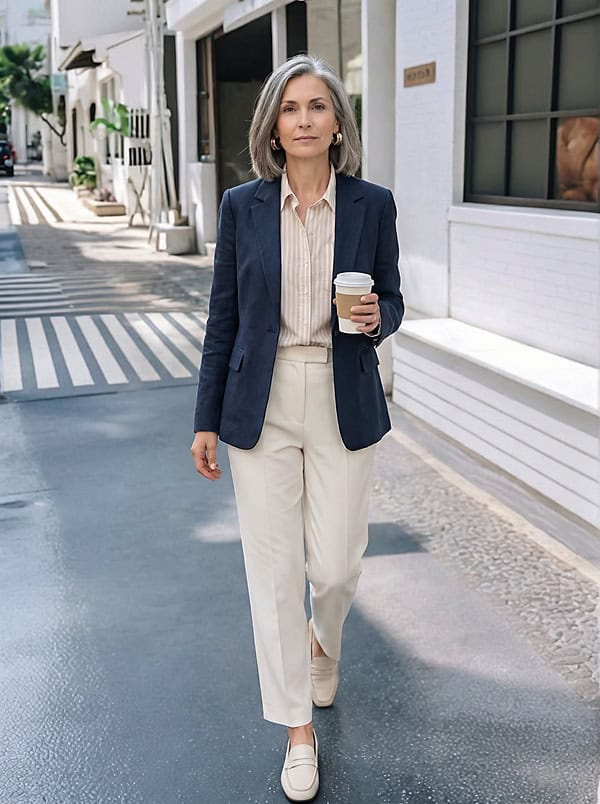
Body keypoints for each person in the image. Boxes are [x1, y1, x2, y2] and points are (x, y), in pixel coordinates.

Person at [191, 53, 403, 802]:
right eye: (291, 108)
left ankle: (324, 641)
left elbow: (395, 299)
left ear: (338, 123)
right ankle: (297, 732)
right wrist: (206, 418)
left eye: (318, 106)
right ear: (273, 127)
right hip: (262, 396)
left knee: (338, 566)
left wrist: (380, 320)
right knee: (274, 574)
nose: (305, 120)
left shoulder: (372, 203)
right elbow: (223, 317)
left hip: (342, 387)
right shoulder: (242, 207)